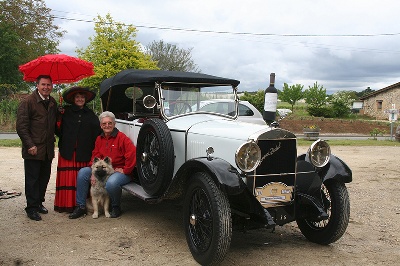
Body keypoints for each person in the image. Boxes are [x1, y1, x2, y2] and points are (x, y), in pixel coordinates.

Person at [69, 111, 136, 219]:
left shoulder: (122, 138)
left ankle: (115, 207)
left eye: (110, 123)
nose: (107, 126)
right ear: (101, 125)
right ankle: (80, 206)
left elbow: (132, 153)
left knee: (112, 183)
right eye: (104, 124)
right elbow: (95, 157)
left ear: (114, 124)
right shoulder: (99, 139)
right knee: (82, 173)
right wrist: (92, 173)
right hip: (103, 169)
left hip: (119, 171)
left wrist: (126, 170)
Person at [16, 75, 58, 221]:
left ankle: (39, 202)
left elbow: (54, 123)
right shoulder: (28, 102)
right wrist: (30, 145)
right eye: (43, 84)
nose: (46, 87)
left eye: (48, 85)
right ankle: (31, 208)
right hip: (33, 149)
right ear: (37, 85)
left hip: (47, 148)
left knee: (44, 178)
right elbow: (21, 126)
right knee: (32, 179)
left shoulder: (52, 102)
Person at [54, 86, 101, 213]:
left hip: (84, 152)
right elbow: (58, 130)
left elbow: (98, 133)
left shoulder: (90, 114)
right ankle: (67, 205)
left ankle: (81, 205)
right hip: (67, 151)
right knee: (68, 179)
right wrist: (58, 116)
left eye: (82, 97)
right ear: (73, 99)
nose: (80, 99)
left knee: (80, 179)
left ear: (85, 99)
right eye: (77, 97)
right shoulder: (65, 112)